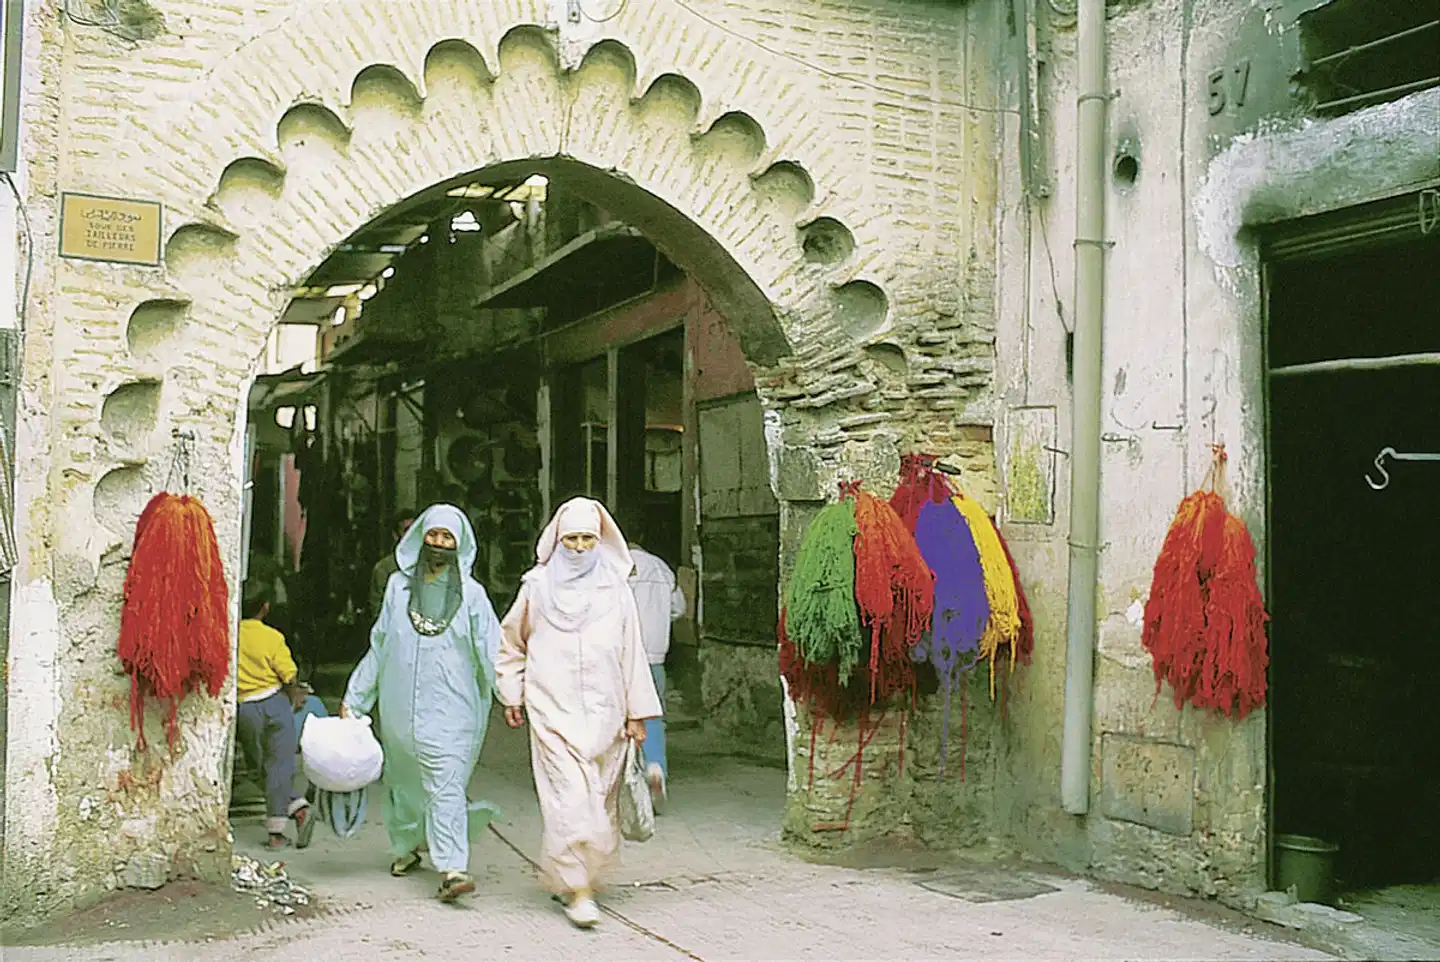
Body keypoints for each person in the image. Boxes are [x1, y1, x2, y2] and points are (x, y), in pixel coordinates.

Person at [497, 497, 662, 929]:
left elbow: (632, 654)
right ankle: (579, 891)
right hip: (552, 710)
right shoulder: (536, 586)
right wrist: (512, 694)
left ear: (600, 540)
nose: (578, 547)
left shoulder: (616, 588)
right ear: (556, 539)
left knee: (600, 805)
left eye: (587, 538)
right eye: (570, 538)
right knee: (568, 800)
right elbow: (512, 644)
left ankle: (576, 877)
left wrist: (636, 712)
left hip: (608, 714)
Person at [342, 504, 502, 903]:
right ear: (419, 539)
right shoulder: (398, 588)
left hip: (453, 709)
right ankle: (406, 848)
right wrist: (356, 698)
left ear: (460, 544)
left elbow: (493, 651)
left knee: (445, 783)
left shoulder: (474, 597)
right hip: (398, 709)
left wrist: (514, 695)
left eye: (448, 538)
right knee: (405, 783)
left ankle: (452, 867)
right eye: (433, 536)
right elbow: (379, 645)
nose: (439, 544)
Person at [236, 584, 315, 850]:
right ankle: (281, 825)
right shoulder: (271, 637)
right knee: (280, 764)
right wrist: (296, 693)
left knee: (259, 765)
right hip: (274, 703)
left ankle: (297, 809)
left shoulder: (229, 634)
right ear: (266, 607)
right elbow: (288, 673)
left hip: (244, 707)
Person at [623, 518, 687, 813]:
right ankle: (655, 766)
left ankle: (627, 782)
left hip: (623, 658)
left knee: (622, 720)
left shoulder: (615, 568)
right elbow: (679, 609)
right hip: (656, 657)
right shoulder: (662, 568)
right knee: (653, 717)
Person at [369, 509, 416, 621]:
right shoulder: (384, 569)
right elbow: (378, 613)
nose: (412, 535)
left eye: (415, 530)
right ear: (395, 535)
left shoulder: (433, 565)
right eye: (406, 530)